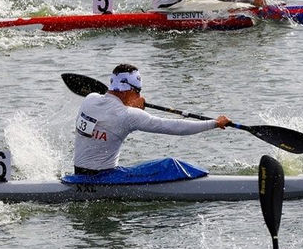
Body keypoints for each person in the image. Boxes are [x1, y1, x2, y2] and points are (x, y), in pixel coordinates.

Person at [72, 64, 228, 175]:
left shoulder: (90, 99)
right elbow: (174, 127)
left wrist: (130, 106)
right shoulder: (129, 115)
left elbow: (109, 113)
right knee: (170, 165)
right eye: (138, 91)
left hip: (79, 173)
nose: (140, 96)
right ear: (129, 90)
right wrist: (214, 123)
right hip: (105, 178)